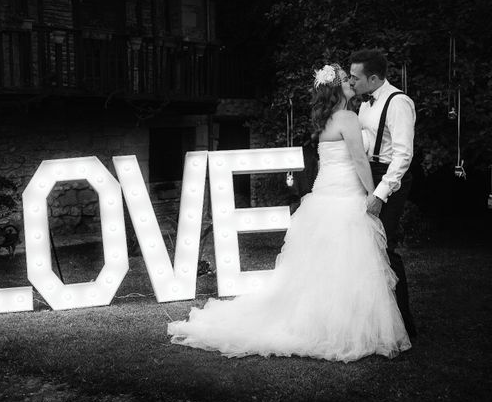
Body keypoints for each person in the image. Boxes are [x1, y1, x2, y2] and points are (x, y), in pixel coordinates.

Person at [167, 64, 411, 362]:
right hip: (345, 195)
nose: (351, 82)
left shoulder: (326, 119)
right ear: (336, 87)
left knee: (321, 266)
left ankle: (323, 321)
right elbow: (360, 161)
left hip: (324, 193)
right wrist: (375, 196)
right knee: (349, 262)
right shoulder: (347, 117)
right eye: (346, 79)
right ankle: (342, 327)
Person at [349, 49, 417, 338]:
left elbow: (403, 155)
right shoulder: (364, 104)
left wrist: (380, 194)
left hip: (391, 178)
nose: (351, 82)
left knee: (384, 247)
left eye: (355, 78)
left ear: (373, 78)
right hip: (367, 174)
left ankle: (403, 323)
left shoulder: (399, 103)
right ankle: (373, 319)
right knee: (363, 247)